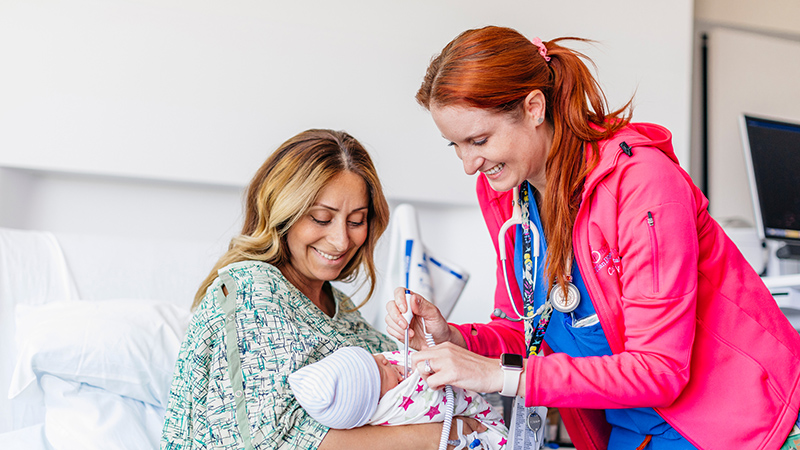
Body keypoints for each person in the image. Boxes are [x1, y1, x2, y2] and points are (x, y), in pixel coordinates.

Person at [385, 26, 800, 450]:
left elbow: (658, 369)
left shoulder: (642, 184)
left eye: (479, 140)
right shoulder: (508, 196)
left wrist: (499, 375)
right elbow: (525, 330)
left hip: (740, 428)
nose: (469, 164)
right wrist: (455, 340)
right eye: (454, 145)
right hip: (634, 431)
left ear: (533, 107)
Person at [161, 129, 483, 450]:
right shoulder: (248, 291)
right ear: (283, 213)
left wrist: (423, 347)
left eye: (356, 221)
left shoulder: (341, 311)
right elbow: (273, 441)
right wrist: (446, 434)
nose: (341, 241)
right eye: (321, 218)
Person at [288, 346, 509, 449]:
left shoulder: (387, 378)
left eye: (374, 357)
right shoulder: (398, 404)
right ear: (377, 401)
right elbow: (432, 395)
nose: (385, 360)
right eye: (380, 371)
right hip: (483, 429)